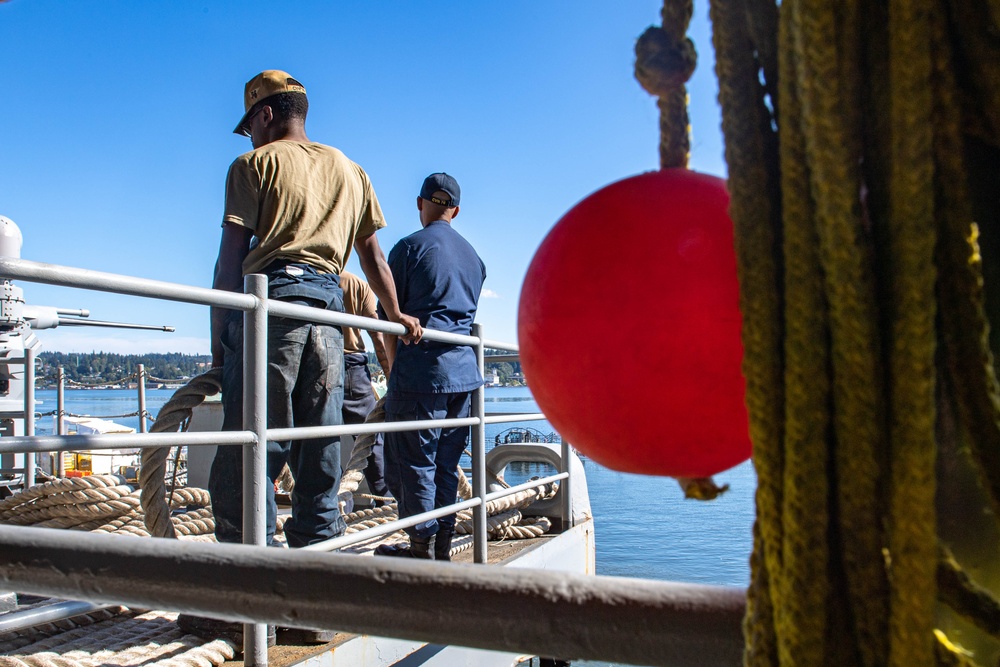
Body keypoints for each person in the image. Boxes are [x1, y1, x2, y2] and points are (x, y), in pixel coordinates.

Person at [206, 70, 421, 550]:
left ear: (264, 115)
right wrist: (397, 314)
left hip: (270, 304)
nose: (251, 136)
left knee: (251, 450)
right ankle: (311, 591)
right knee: (319, 450)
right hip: (329, 311)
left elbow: (229, 259)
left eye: (250, 126)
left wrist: (220, 346)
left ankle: (243, 588)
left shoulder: (252, 165)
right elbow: (374, 259)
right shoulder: (351, 169)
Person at [375, 173, 486, 561]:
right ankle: (441, 550)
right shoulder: (475, 258)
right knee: (446, 467)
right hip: (464, 379)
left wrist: (393, 376)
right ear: (456, 210)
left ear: (420, 203)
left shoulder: (407, 249)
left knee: (414, 465)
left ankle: (419, 553)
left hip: (420, 377)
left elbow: (389, 321)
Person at [338, 270, 391, 503]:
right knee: (371, 440)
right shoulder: (356, 283)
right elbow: (378, 336)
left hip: (310, 364)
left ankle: (334, 509)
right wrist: (390, 374)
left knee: (317, 441)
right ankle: (386, 501)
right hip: (352, 366)